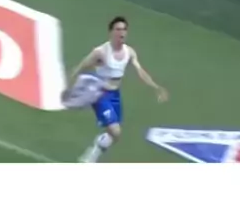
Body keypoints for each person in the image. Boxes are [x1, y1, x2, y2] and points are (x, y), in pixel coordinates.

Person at [65, 16, 168, 163]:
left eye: (124, 29)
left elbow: (140, 71)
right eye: (118, 29)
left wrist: (156, 87)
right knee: (115, 130)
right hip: (100, 94)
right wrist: (69, 86)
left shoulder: (129, 52)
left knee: (115, 135)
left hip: (115, 95)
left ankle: (96, 148)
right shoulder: (101, 52)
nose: (122, 33)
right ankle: (90, 158)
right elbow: (81, 66)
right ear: (111, 32)